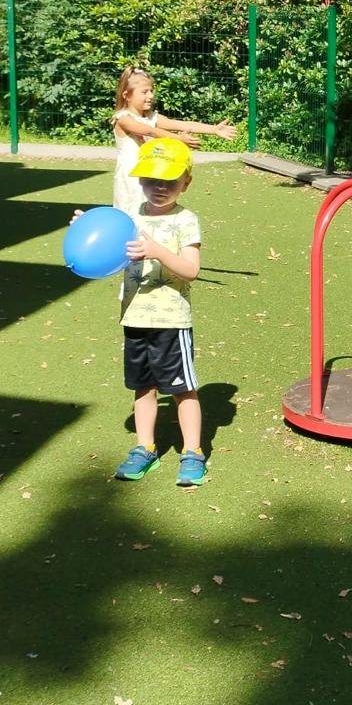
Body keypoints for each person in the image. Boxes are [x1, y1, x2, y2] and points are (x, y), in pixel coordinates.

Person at [112, 136, 210, 487]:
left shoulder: (186, 220)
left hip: (171, 320)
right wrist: (86, 224)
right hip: (135, 317)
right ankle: (145, 448)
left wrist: (157, 251)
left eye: (169, 180)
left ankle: (193, 452)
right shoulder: (130, 215)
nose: (159, 187)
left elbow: (191, 270)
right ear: (140, 179)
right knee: (143, 388)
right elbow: (107, 244)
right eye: (151, 179)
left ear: (186, 182)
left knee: (183, 389)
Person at [111, 65, 237, 216]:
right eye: (144, 92)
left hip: (151, 174)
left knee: (151, 212)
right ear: (126, 95)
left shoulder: (151, 117)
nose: (150, 96)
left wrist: (214, 129)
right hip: (130, 175)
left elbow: (182, 124)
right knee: (129, 212)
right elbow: (150, 131)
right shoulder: (123, 119)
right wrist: (179, 138)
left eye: (151, 91)